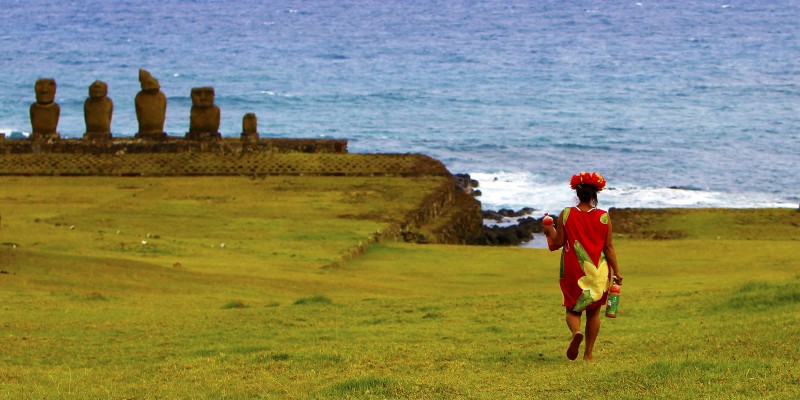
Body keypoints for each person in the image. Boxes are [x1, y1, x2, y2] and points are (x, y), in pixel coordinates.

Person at [542, 172, 623, 361]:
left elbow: (559, 241)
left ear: (577, 194)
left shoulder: (567, 214)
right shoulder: (604, 217)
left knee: (572, 309)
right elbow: (608, 247)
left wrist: (549, 230)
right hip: (598, 271)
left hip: (574, 270)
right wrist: (617, 272)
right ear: (595, 195)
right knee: (594, 312)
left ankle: (576, 332)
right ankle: (588, 354)